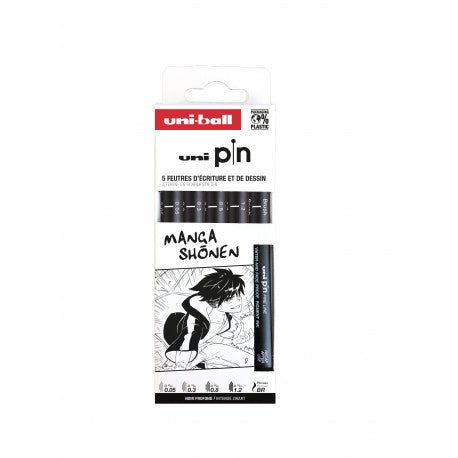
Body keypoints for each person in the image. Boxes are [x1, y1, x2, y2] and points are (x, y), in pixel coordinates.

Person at [163, 268, 252, 369]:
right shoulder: (196, 320)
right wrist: (181, 363)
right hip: (177, 334)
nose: (238, 301)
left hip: (203, 343)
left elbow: (226, 332)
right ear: (213, 300)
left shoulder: (224, 316)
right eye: (228, 299)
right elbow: (188, 337)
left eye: (238, 295)